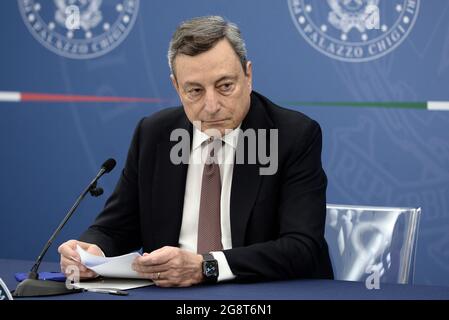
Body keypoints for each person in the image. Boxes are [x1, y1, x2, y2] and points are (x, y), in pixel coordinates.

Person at [59, 15, 333, 287]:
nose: (211, 105)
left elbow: (302, 248)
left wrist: (207, 266)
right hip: (170, 295)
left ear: (248, 76)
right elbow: (115, 227)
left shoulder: (291, 136)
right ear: (177, 88)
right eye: (195, 91)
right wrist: (90, 252)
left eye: (225, 86)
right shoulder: (154, 134)